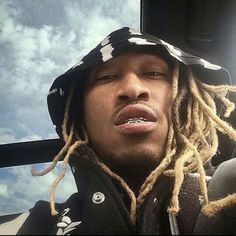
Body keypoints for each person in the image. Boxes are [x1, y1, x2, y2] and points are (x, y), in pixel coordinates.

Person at [1, 27, 236, 235]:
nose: (132, 89)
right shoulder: (30, 226)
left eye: (154, 73)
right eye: (107, 77)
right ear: (79, 118)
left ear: (188, 104)